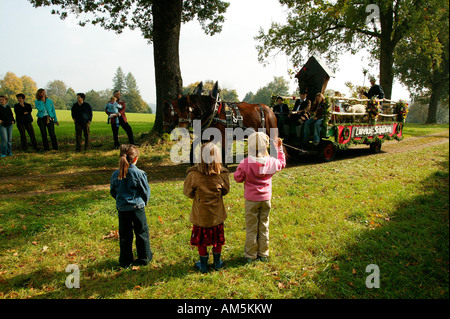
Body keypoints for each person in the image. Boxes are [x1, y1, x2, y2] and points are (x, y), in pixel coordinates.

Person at [233, 132, 286, 263]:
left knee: (251, 227)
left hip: (251, 200)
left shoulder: (245, 163)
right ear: (266, 146)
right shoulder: (271, 162)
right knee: (264, 225)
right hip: (266, 199)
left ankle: (250, 255)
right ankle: (263, 253)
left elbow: (238, 178)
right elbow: (282, 163)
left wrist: (239, 170)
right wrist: (279, 148)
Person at [183, 143, 230, 273]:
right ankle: (217, 262)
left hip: (200, 215)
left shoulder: (193, 175)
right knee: (217, 240)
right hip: (216, 215)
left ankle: (203, 265)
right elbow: (225, 191)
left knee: (201, 241)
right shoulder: (222, 174)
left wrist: (197, 196)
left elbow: (187, 192)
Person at [110, 144, 153, 268]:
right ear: (135, 158)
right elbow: (145, 191)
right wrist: (143, 202)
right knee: (142, 232)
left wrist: (120, 201)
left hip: (122, 208)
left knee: (125, 234)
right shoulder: (139, 174)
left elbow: (113, 191)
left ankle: (125, 260)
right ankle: (144, 257)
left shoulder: (115, 175)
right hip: (137, 208)